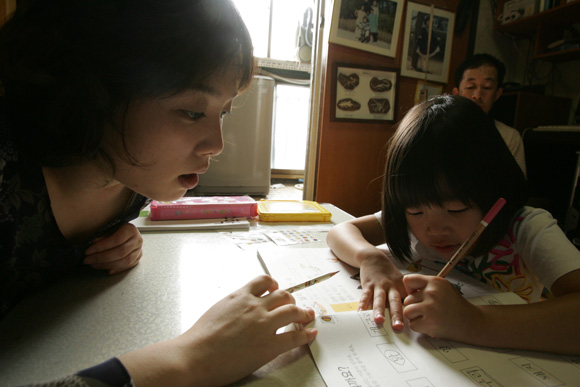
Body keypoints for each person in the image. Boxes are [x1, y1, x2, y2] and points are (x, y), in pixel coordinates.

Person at [0, 0, 317, 385]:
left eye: (225, 112)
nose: (217, 144)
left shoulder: (132, 183)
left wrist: (109, 245)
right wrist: (193, 358)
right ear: (95, 89)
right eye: (192, 112)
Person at [327, 95, 580, 355]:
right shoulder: (406, 219)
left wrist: (472, 322)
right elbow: (340, 232)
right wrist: (370, 258)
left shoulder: (526, 228)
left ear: (493, 189)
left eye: (456, 209)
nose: (434, 229)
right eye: (416, 210)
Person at [452, 53, 527, 175]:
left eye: (487, 87)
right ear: (456, 93)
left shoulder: (509, 137)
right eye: (470, 87)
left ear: (497, 94)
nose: (477, 95)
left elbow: (516, 188)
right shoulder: (440, 128)